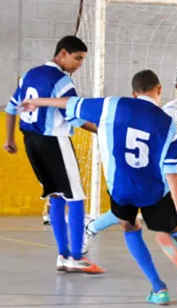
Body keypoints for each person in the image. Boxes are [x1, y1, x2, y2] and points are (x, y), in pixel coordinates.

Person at [22, 69, 177, 304]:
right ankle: (174, 240)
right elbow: (172, 169)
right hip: (152, 189)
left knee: (129, 225)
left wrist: (38, 101)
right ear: (159, 90)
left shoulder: (111, 105)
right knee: (176, 229)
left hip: (121, 188)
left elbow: (69, 103)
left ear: (134, 93)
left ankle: (159, 288)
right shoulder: (168, 123)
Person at [81, 67, 177, 265]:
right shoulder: (168, 112)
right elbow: (164, 148)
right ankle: (91, 228)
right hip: (156, 164)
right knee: (127, 211)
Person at [4, 35, 102, 273]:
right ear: (63, 54)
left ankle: (63, 255)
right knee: (76, 197)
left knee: (56, 195)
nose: (79, 64)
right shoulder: (60, 81)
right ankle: (77, 256)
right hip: (55, 141)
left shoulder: (30, 74)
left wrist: (9, 138)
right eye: (77, 58)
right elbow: (75, 118)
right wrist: (102, 130)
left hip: (31, 142)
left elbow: (10, 107)